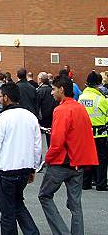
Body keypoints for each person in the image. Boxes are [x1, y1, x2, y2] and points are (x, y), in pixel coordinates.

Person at [38, 75, 98, 235]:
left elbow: (57, 141)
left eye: (54, 89)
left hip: (61, 162)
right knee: (75, 204)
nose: (52, 93)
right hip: (79, 163)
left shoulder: (61, 110)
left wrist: (47, 159)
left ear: (61, 90)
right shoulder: (80, 108)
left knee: (44, 195)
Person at [0, 82, 42, 235]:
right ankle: (32, 232)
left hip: (7, 170)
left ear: (6, 97)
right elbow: (37, 146)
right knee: (18, 203)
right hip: (25, 169)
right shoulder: (31, 116)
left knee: (7, 213)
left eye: (0, 96)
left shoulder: (3, 117)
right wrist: (34, 168)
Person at [78, 71, 108, 191]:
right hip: (100, 134)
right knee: (101, 159)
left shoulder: (81, 98)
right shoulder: (101, 99)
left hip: (85, 134)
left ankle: (85, 183)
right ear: (99, 84)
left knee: (86, 158)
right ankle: (101, 183)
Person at [35, 72, 56, 147]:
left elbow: (37, 106)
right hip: (52, 117)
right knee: (50, 139)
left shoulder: (39, 91)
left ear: (40, 79)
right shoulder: (52, 90)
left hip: (42, 118)